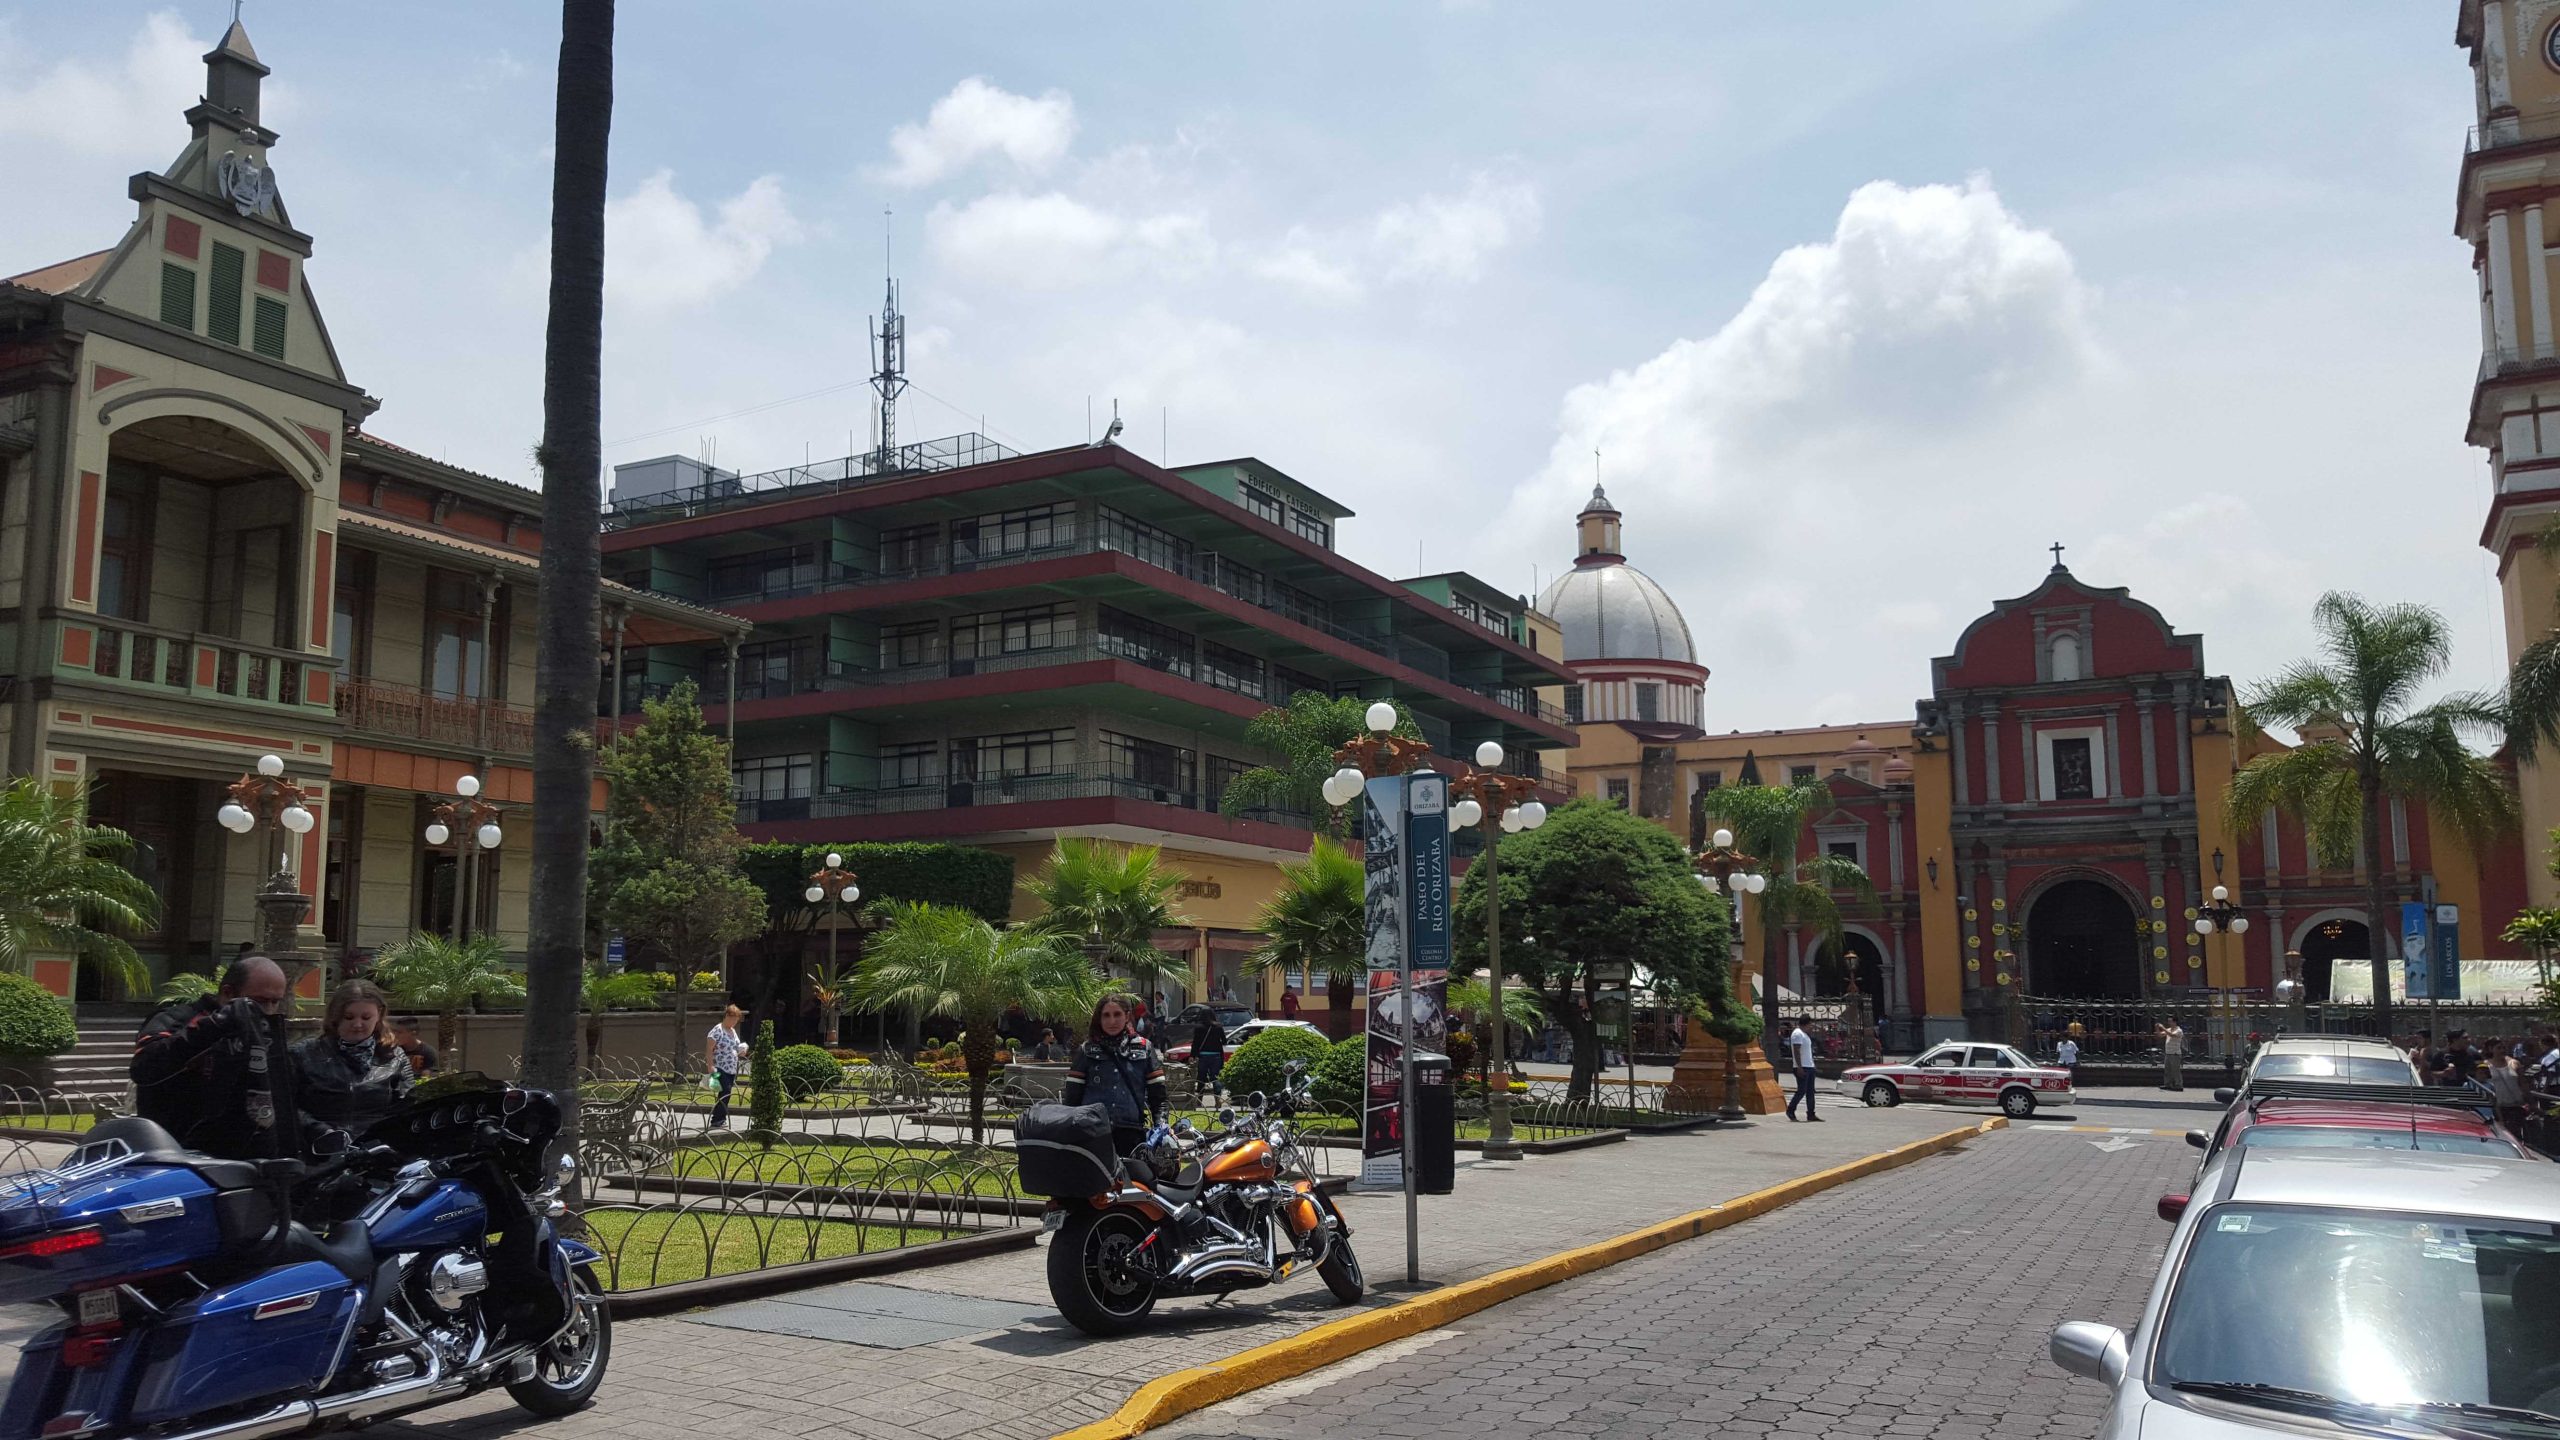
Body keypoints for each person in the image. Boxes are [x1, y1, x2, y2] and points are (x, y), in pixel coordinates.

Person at [131, 954, 309, 1160]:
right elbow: (144, 1067)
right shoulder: (177, 1019)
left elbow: (281, 1099)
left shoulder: (267, 1033)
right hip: (182, 1157)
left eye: (274, 1002)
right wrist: (216, 1025)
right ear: (228, 993)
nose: (267, 1010)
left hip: (247, 1163)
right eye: (259, 1001)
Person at [294, 979, 415, 1134]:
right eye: (349, 1017)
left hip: (374, 1148)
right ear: (335, 1016)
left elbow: (407, 1108)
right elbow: (284, 1105)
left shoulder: (394, 1057)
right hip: (319, 1148)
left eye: (366, 1018)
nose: (357, 1025)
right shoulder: (303, 1054)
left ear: (379, 1015)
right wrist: (318, 1130)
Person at [1061, 995, 1166, 1158]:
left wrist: (1161, 1127)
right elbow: (1072, 1099)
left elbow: (1158, 1097)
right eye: (1106, 1015)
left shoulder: (1144, 1048)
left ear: (1127, 1016)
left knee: (1136, 1183)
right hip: (1092, 1135)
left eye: (1117, 1014)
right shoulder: (1087, 1049)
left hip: (1131, 1135)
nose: (1112, 1021)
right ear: (1099, 1018)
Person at [704, 1004, 747, 1128]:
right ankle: (717, 1119)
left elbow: (736, 1046)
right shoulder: (718, 1030)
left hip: (731, 1068)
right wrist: (710, 1066)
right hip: (720, 1066)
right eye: (733, 1019)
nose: (734, 1022)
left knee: (726, 1093)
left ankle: (720, 1118)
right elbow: (709, 1049)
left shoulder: (732, 1031)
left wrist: (742, 1050)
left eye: (736, 1020)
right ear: (727, 1016)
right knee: (725, 1092)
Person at [1784, 1018, 1821, 1122]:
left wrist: (1812, 1065)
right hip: (1802, 1067)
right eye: (1810, 1025)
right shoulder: (1797, 1034)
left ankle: (1811, 1114)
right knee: (1801, 1091)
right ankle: (1790, 1110)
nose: (1811, 1027)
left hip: (1809, 1066)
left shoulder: (1805, 1035)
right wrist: (1799, 1067)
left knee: (1810, 1092)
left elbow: (1807, 1052)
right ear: (1806, 1024)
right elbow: (1796, 1051)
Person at [1194, 1011, 1230, 1103]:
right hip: (1216, 1056)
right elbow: (1224, 1041)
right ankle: (1217, 1099)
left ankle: (1199, 1099)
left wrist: (1192, 1055)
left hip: (1203, 1056)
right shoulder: (1218, 1027)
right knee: (1215, 1077)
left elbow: (1195, 1043)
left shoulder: (1198, 1027)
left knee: (1201, 1077)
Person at [2156, 1020, 2186, 1092]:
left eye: (2170, 1021)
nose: (2169, 1023)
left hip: (2175, 1053)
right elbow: (2160, 1035)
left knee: (2175, 1070)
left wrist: (2163, 1028)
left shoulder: (2179, 1030)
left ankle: (2178, 1085)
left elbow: (2172, 1035)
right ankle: (2168, 1084)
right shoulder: (2169, 1029)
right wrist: (2157, 1028)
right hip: (2168, 1052)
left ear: (2175, 1022)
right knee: (2167, 1070)